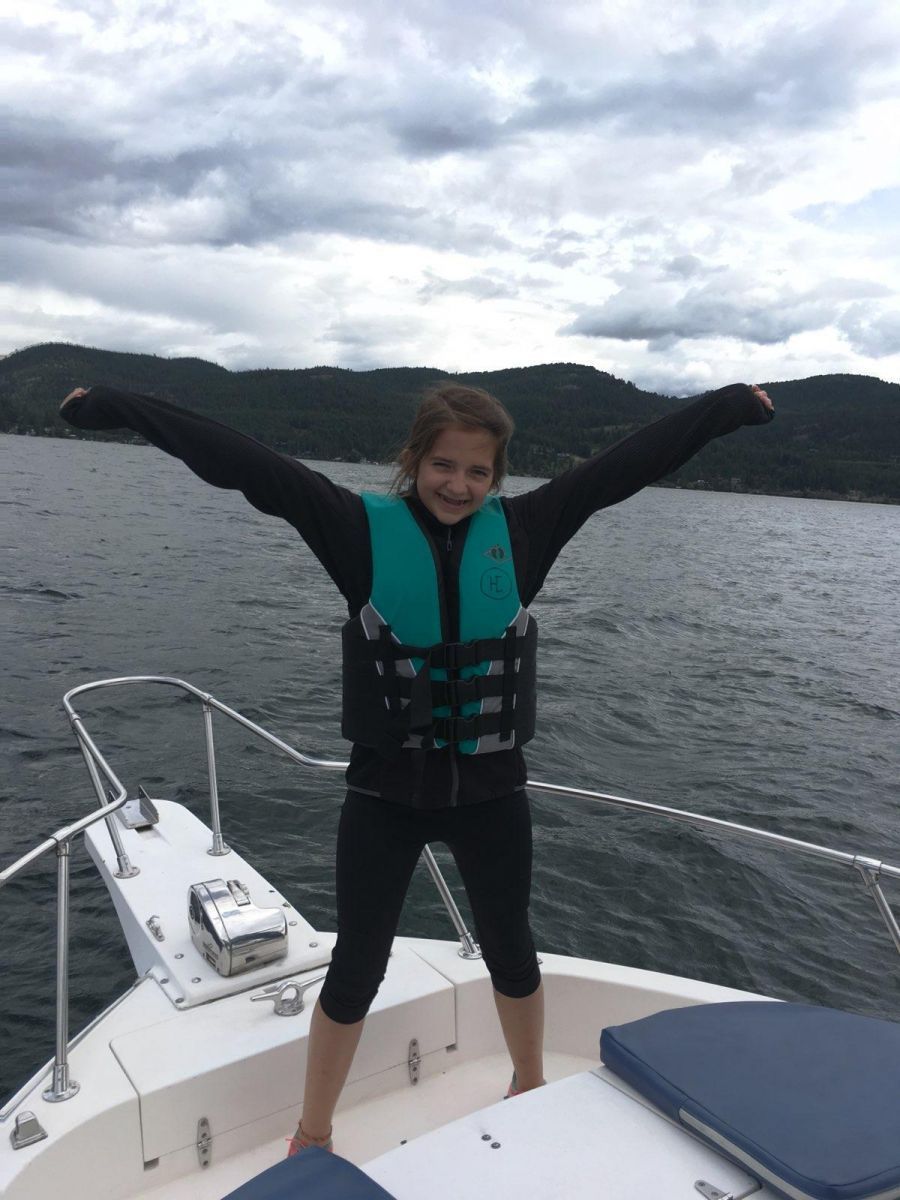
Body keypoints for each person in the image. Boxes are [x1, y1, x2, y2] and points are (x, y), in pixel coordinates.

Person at [59, 376, 774, 1153]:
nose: (458, 485)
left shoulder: (527, 529)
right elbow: (244, 463)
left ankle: (529, 1083)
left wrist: (727, 406)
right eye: (443, 465)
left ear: (498, 478)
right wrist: (118, 405)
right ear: (413, 459)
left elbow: (625, 466)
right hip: (383, 799)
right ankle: (312, 1132)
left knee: (511, 948)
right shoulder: (354, 528)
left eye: (477, 472)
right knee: (355, 970)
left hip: (493, 796)